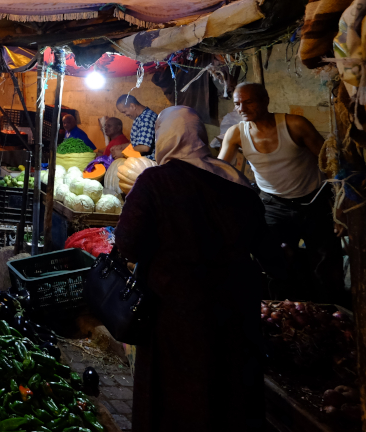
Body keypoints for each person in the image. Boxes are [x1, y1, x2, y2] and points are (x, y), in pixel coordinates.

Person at [115, 106, 266, 432]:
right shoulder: (235, 180)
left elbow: (128, 244)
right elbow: (262, 244)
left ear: (165, 137)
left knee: (174, 395)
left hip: (174, 310)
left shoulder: (155, 180)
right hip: (236, 309)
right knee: (228, 391)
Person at [218, 82, 344, 303]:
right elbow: (219, 171)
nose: (242, 108)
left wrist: (340, 208)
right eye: (237, 103)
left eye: (249, 102)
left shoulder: (295, 125)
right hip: (272, 205)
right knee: (276, 264)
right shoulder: (236, 134)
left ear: (265, 101)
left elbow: (330, 165)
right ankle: (287, 314)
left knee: (326, 265)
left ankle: (333, 314)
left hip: (313, 202)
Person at [115, 94, 157, 158]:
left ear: (132, 106)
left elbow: (144, 147)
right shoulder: (140, 117)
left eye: (124, 111)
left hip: (148, 165)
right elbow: (138, 144)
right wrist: (122, 146)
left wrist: (123, 154)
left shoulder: (146, 119)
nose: (125, 115)